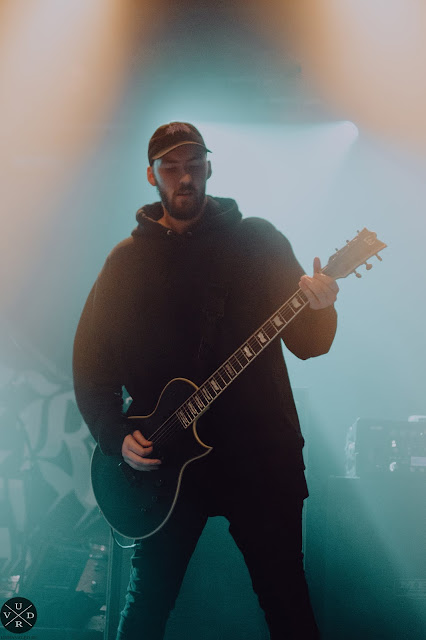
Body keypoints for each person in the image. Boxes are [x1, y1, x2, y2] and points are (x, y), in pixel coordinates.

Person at [73, 122, 339, 640]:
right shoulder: (126, 262)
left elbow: (310, 344)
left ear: (210, 168)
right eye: (171, 167)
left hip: (260, 459)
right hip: (166, 462)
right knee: (145, 609)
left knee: (288, 603)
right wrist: (114, 435)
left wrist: (321, 307)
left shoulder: (258, 241)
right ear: (151, 175)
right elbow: (90, 365)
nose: (184, 177)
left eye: (194, 164)